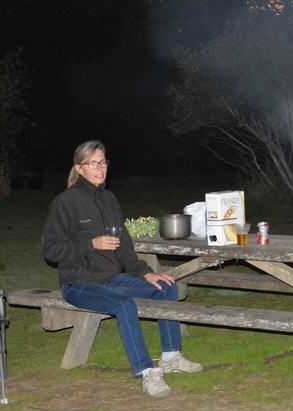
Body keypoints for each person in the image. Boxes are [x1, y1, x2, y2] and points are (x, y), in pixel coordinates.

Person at [42, 140, 202, 397]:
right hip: (79, 283)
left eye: (103, 162)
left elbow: (124, 246)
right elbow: (51, 250)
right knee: (124, 304)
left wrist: (145, 273)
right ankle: (147, 372)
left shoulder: (109, 199)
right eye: (93, 163)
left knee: (166, 286)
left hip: (112, 278)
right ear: (79, 168)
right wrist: (90, 243)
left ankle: (171, 356)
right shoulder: (65, 202)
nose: (100, 168)